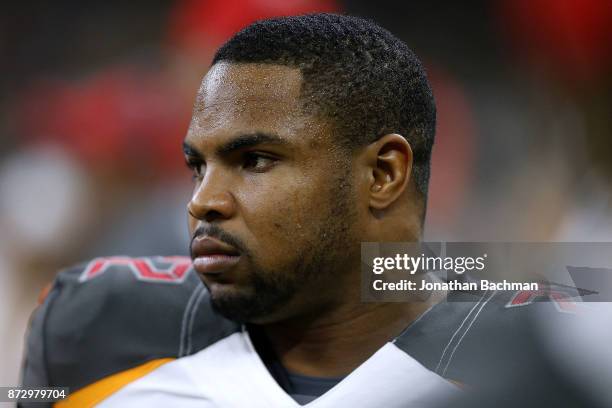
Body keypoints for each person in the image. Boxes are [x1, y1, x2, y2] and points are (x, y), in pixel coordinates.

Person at [20, 13, 577, 408]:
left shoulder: (559, 341)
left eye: (256, 160)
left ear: (384, 173)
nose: (201, 200)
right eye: (197, 164)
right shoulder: (94, 325)